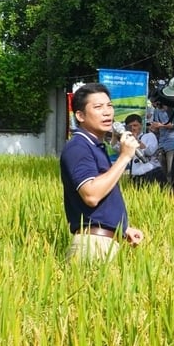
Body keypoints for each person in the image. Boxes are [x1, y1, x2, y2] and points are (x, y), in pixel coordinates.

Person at [59, 83, 145, 261]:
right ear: (80, 115)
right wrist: (124, 158)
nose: (107, 112)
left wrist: (123, 228)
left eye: (109, 105)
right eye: (98, 107)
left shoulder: (95, 146)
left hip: (104, 240)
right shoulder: (78, 147)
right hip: (93, 245)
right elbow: (91, 195)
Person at [124, 113, 167, 185]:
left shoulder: (149, 136)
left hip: (151, 173)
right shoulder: (126, 141)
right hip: (135, 175)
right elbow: (116, 148)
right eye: (130, 126)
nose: (133, 128)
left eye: (135, 125)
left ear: (141, 125)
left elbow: (150, 151)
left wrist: (137, 140)